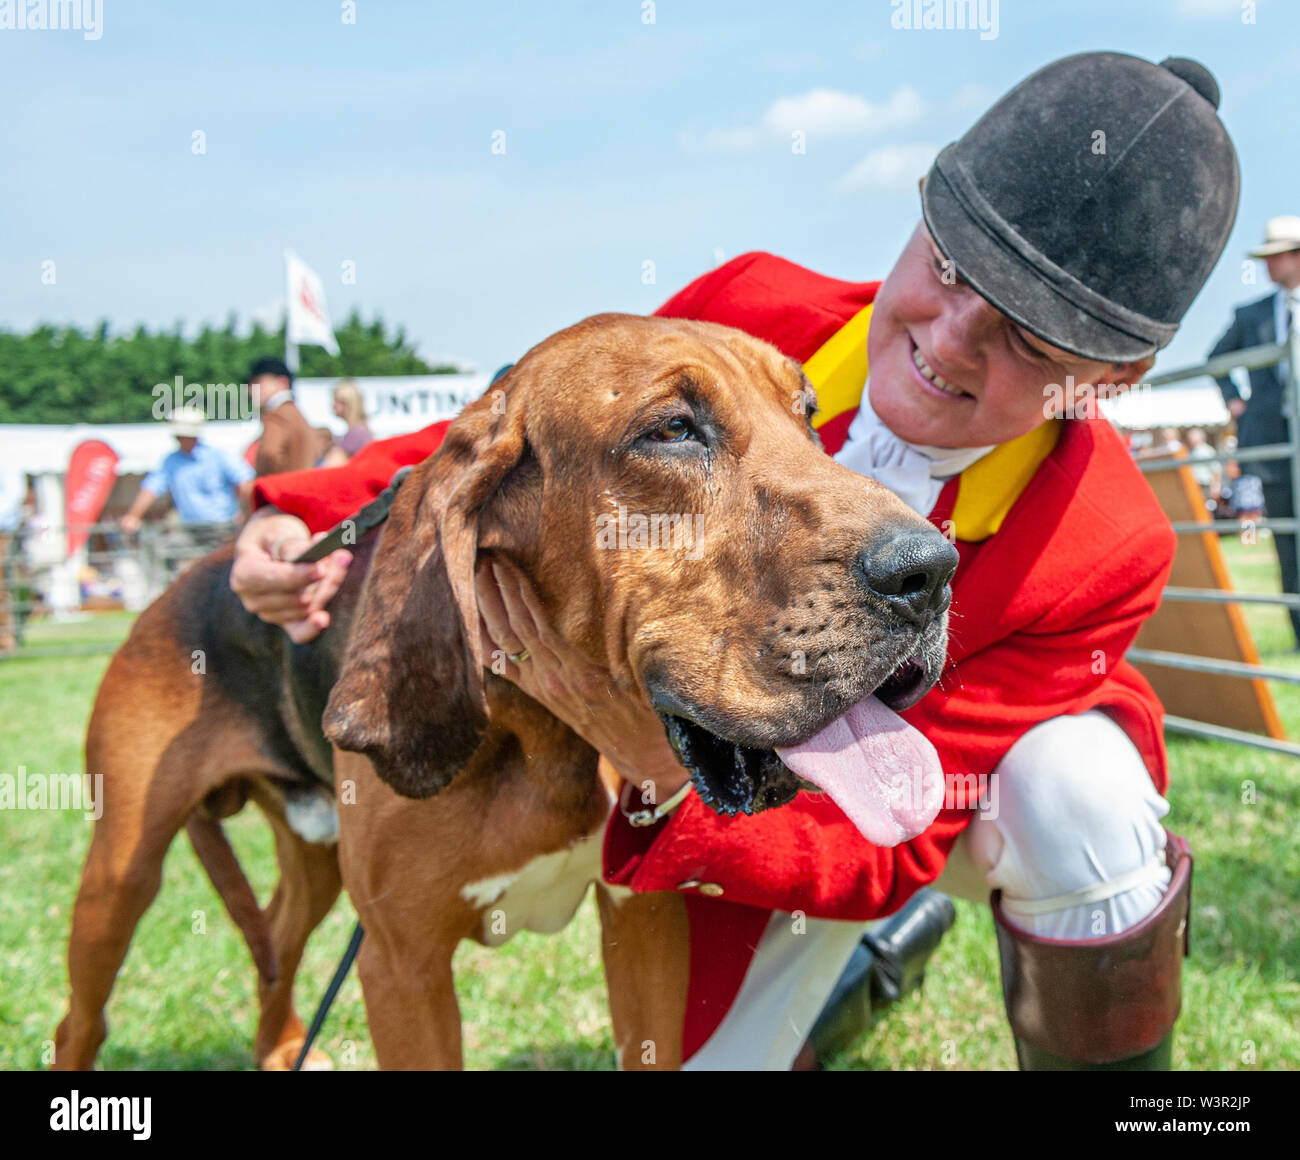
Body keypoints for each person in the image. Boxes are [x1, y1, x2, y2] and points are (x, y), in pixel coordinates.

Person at [230, 52, 1237, 1070]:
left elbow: (894, 834)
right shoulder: (749, 303)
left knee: (1081, 800)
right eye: (947, 265)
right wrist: (302, 512)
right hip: (745, 773)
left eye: (1028, 337)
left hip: (919, 807)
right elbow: (531, 415)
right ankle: (863, 976)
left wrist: (661, 773)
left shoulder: (1110, 543)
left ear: (1112, 377)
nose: (951, 337)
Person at [1210, 215, 1300, 647]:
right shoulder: (1253, 314)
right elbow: (1215, 357)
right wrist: (1234, 398)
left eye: (1276, 256)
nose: (1268, 265)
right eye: (1263, 258)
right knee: (1288, 548)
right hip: (1274, 451)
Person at [120, 405, 254, 534]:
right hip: (190, 529)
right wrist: (133, 516)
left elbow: (246, 482)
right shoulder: (171, 462)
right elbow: (151, 488)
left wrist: (246, 511)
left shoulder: (218, 457)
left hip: (223, 528)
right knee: (166, 552)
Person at [249, 356, 316, 477]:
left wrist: (261, 485)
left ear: (282, 382)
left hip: (281, 492)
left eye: (257, 382)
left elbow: (269, 454)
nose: (251, 389)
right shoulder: (297, 414)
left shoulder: (276, 416)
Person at [332, 379, 373, 457]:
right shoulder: (360, 429)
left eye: (337, 401)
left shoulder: (355, 433)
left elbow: (335, 463)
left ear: (349, 404)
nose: (334, 405)